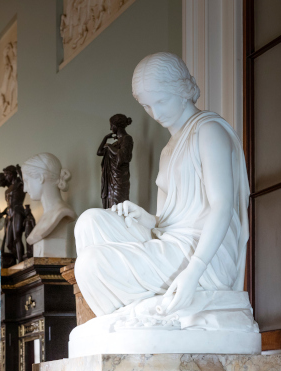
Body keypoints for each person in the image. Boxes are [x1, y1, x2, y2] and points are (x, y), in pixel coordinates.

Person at [72, 52, 257, 352]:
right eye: (146, 105)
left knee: (91, 264)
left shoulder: (209, 131)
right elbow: (168, 224)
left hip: (204, 255)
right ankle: (135, 314)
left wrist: (194, 271)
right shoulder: (168, 150)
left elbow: (223, 207)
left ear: (182, 89)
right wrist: (147, 220)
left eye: (160, 101)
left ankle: (141, 317)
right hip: (174, 243)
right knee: (89, 222)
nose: (155, 113)